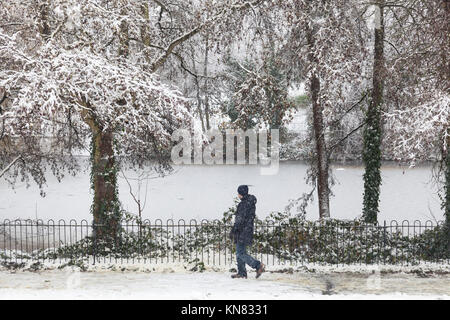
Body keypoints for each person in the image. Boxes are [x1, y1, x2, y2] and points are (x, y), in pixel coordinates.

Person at [229, 185, 265, 279]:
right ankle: (241, 273)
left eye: (238, 193)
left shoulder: (244, 204)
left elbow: (240, 219)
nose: (238, 195)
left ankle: (258, 265)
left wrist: (234, 229)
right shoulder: (249, 202)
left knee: (240, 253)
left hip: (242, 231)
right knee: (239, 251)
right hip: (247, 230)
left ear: (241, 193)